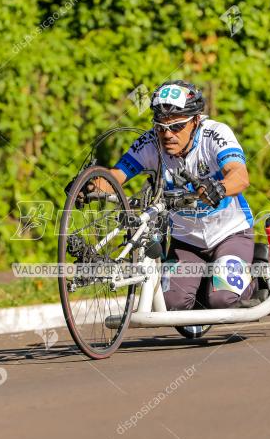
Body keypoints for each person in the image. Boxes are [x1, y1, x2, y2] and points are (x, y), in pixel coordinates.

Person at [67, 80, 255, 310]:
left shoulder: (214, 134)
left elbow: (240, 174)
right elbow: (117, 175)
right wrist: (88, 186)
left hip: (230, 234)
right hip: (187, 242)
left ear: (195, 120)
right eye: (160, 126)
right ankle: (207, 281)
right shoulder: (151, 142)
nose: (167, 134)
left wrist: (221, 188)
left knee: (222, 299)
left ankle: (257, 273)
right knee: (170, 304)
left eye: (176, 126)